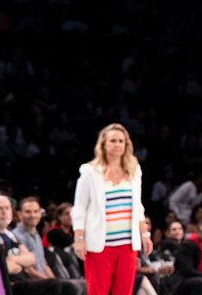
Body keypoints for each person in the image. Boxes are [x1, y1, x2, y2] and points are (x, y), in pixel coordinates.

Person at [71, 124, 154, 295]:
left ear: (126, 145)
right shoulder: (90, 171)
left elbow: (137, 206)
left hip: (127, 245)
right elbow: (79, 208)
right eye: (113, 140)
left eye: (121, 141)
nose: (117, 144)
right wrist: (79, 238)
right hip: (100, 245)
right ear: (103, 144)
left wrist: (145, 234)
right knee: (97, 292)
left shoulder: (133, 170)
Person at [0, 194, 80, 295]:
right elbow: (7, 266)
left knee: (69, 287)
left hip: (24, 281)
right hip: (12, 285)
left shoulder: (13, 236)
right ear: (20, 214)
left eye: (7, 208)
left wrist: (14, 260)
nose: (4, 212)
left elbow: (33, 260)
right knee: (56, 285)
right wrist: (19, 261)